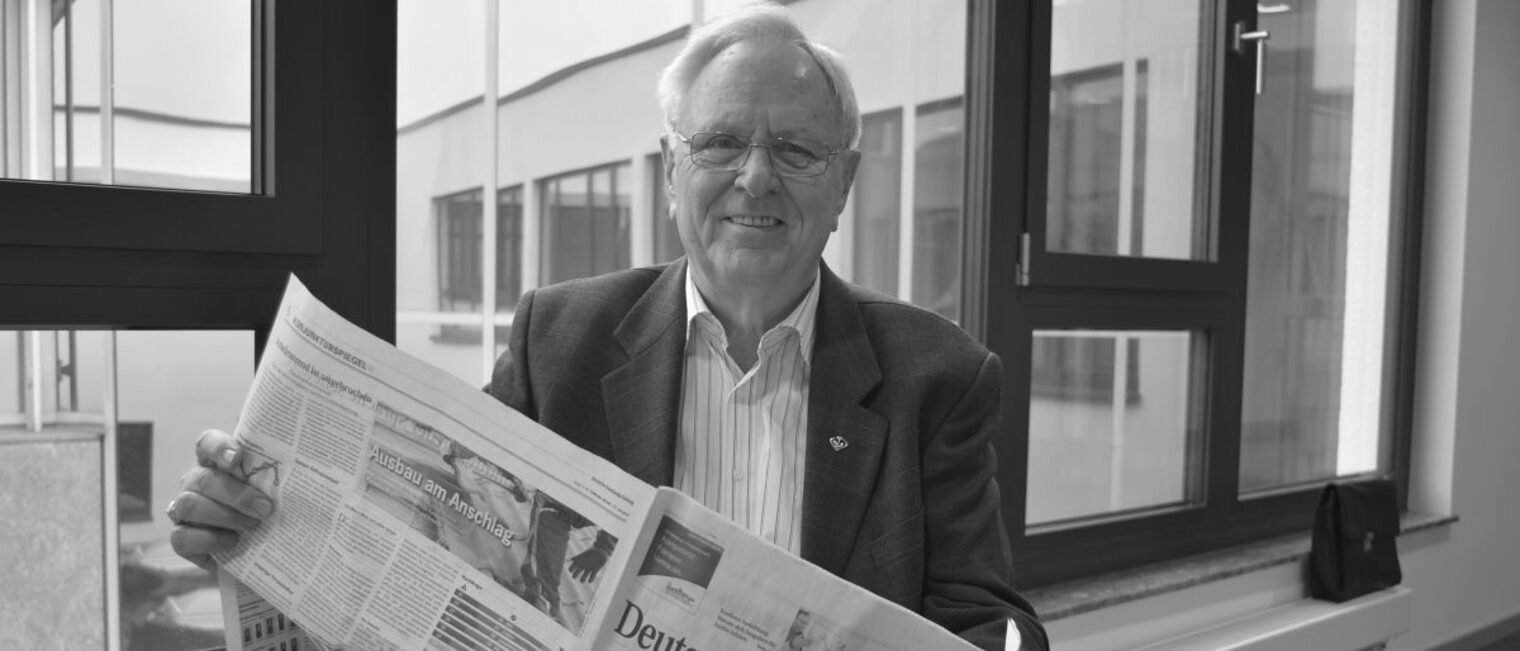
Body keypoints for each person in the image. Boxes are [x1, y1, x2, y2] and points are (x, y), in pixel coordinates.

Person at [168, 4, 1047, 649]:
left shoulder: (940, 375)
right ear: (672, 171)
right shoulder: (561, 337)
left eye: (798, 151)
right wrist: (262, 521)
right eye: (720, 143)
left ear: (844, 182)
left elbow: (992, 620)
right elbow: (426, 537)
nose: (754, 179)